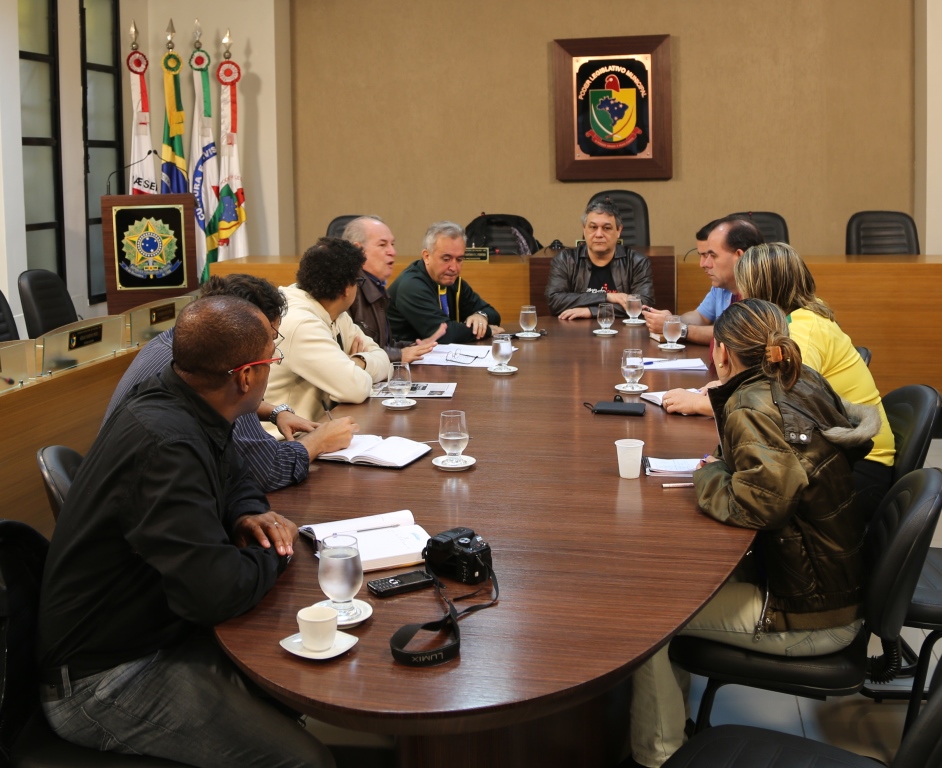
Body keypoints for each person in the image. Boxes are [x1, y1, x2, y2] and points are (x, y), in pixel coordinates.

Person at [37, 296, 335, 768]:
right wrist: (278, 551)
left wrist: (246, 517)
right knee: (304, 761)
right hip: (104, 679)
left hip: (155, 628)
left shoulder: (182, 397)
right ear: (245, 376)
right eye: (271, 356)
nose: (273, 366)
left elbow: (235, 473)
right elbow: (214, 594)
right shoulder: (167, 444)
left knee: (293, 680)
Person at [628, 299, 880, 768]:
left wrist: (708, 474)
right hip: (832, 582)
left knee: (649, 628)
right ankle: (671, 724)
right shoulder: (801, 379)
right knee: (680, 589)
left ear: (720, 353)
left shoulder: (751, 404)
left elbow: (758, 504)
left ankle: (659, 757)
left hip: (808, 612)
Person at [104, 274, 357, 492]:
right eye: (270, 337)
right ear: (239, 328)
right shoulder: (225, 370)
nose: (271, 353)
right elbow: (267, 471)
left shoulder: (177, 344)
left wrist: (274, 411)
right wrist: (319, 441)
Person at [734, 242, 896, 517]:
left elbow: (787, 410)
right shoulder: (804, 314)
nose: (740, 295)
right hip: (843, 453)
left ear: (760, 290)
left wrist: (706, 404)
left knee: (755, 498)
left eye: (744, 287)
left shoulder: (802, 333)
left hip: (860, 466)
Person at [264, 237, 389, 427]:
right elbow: (355, 389)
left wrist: (356, 362)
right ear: (347, 289)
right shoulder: (301, 323)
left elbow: (384, 361)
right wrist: (353, 368)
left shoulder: (335, 313)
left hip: (318, 427)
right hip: (286, 442)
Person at [649, 215, 764, 416]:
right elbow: (700, 317)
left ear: (739, 256)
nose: (704, 264)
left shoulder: (763, 303)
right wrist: (672, 321)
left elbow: (765, 395)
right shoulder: (723, 285)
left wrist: (699, 404)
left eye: (712, 255)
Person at [342, 215, 446, 362]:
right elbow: (354, 354)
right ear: (358, 250)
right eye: (382, 245)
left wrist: (415, 347)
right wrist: (400, 355)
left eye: (392, 244)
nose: (392, 252)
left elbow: (383, 345)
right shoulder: (346, 290)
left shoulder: (376, 286)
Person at [388, 221, 504, 344]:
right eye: (446, 259)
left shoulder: (453, 282)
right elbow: (443, 334)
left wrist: (481, 316)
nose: (454, 268)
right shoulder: (411, 286)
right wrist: (487, 330)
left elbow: (493, 314)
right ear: (426, 256)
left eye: (459, 259)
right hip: (401, 360)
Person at [545, 199, 654, 319]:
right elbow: (554, 301)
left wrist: (591, 311)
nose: (599, 234)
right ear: (584, 229)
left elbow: (644, 304)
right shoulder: (565, 260)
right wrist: (607, 296)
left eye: (606, 228)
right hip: (576, 333)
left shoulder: (636, 261)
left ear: (619, 231)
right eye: (593, 227)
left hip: (621, 332)